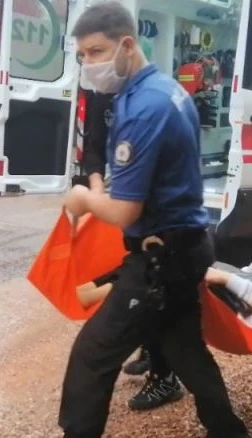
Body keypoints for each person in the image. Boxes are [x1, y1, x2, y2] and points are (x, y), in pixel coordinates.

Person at [59, 3, 249, 437]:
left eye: (96, 51)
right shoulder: (163, 89)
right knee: (184, 349)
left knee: (93, 356)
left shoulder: (144, 106)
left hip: (160, 260)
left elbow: (125, 211)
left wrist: (84, 199)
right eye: (82, 55)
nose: (89, 63)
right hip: (185, 247)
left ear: (127, 44)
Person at [77, 82, 181, 411]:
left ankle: (165, 377)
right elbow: (93, 147)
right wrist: (97, 188)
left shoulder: (154, 97)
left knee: (150, 291)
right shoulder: (101, 96)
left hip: (157, 207)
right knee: (140, 287)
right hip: (128, 203)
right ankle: (152, 353)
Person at [78, 219, 252, 334]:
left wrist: (224, 278)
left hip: (240, 313)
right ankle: (96, 287)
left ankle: (99, 290)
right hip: (232, 299)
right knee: (163, 260)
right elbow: (246, 278)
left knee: (169, 271)